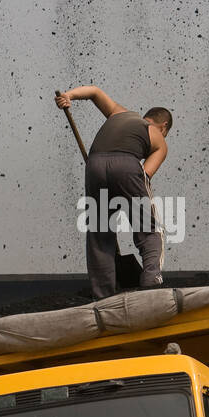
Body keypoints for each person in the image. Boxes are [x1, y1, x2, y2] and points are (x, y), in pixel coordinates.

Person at [55, 85, 172, 300]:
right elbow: (144, 176)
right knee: (150, 228)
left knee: (100, 233)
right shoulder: (159, 138)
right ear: (163, 126)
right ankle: (151, 282)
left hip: (95, 165)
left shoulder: (119, 112)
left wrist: (68, 96)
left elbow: (94, 92)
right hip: (127, 166)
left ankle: (103, 295)